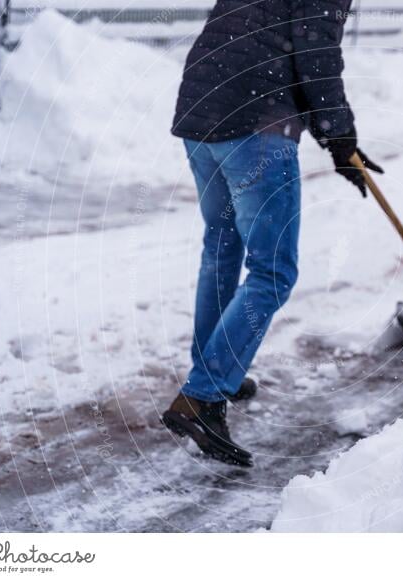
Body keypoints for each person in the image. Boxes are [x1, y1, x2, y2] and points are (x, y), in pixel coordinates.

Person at [161, 0, 383, 466]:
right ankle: (204, 395)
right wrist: (340, 140)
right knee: (273, 270)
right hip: (255, 124)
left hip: (202, 112)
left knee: (221, 246)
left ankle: (215, 368)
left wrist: (334, 139)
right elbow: (316, 56)